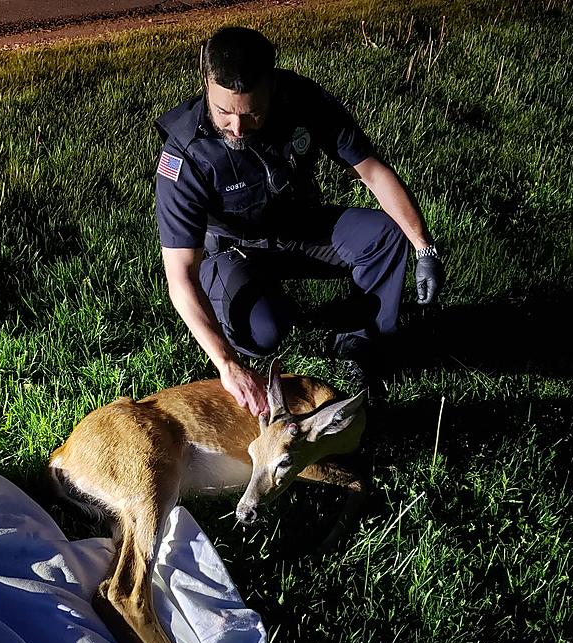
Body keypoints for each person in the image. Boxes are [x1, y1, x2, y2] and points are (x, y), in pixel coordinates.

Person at [155, 26, 442, 417]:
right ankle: (259, 320)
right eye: (224, 112)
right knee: (264, 330)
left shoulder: (303, 100)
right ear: (206, 83)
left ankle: (358, 343)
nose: (237, 128)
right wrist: (228, 366)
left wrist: (424, 247)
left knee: (386, 236)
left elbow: (372, 171)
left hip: (295, 228)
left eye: (251, 112)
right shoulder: (185, 153)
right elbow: (180, 278)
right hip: (231, 250)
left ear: (272, 85)